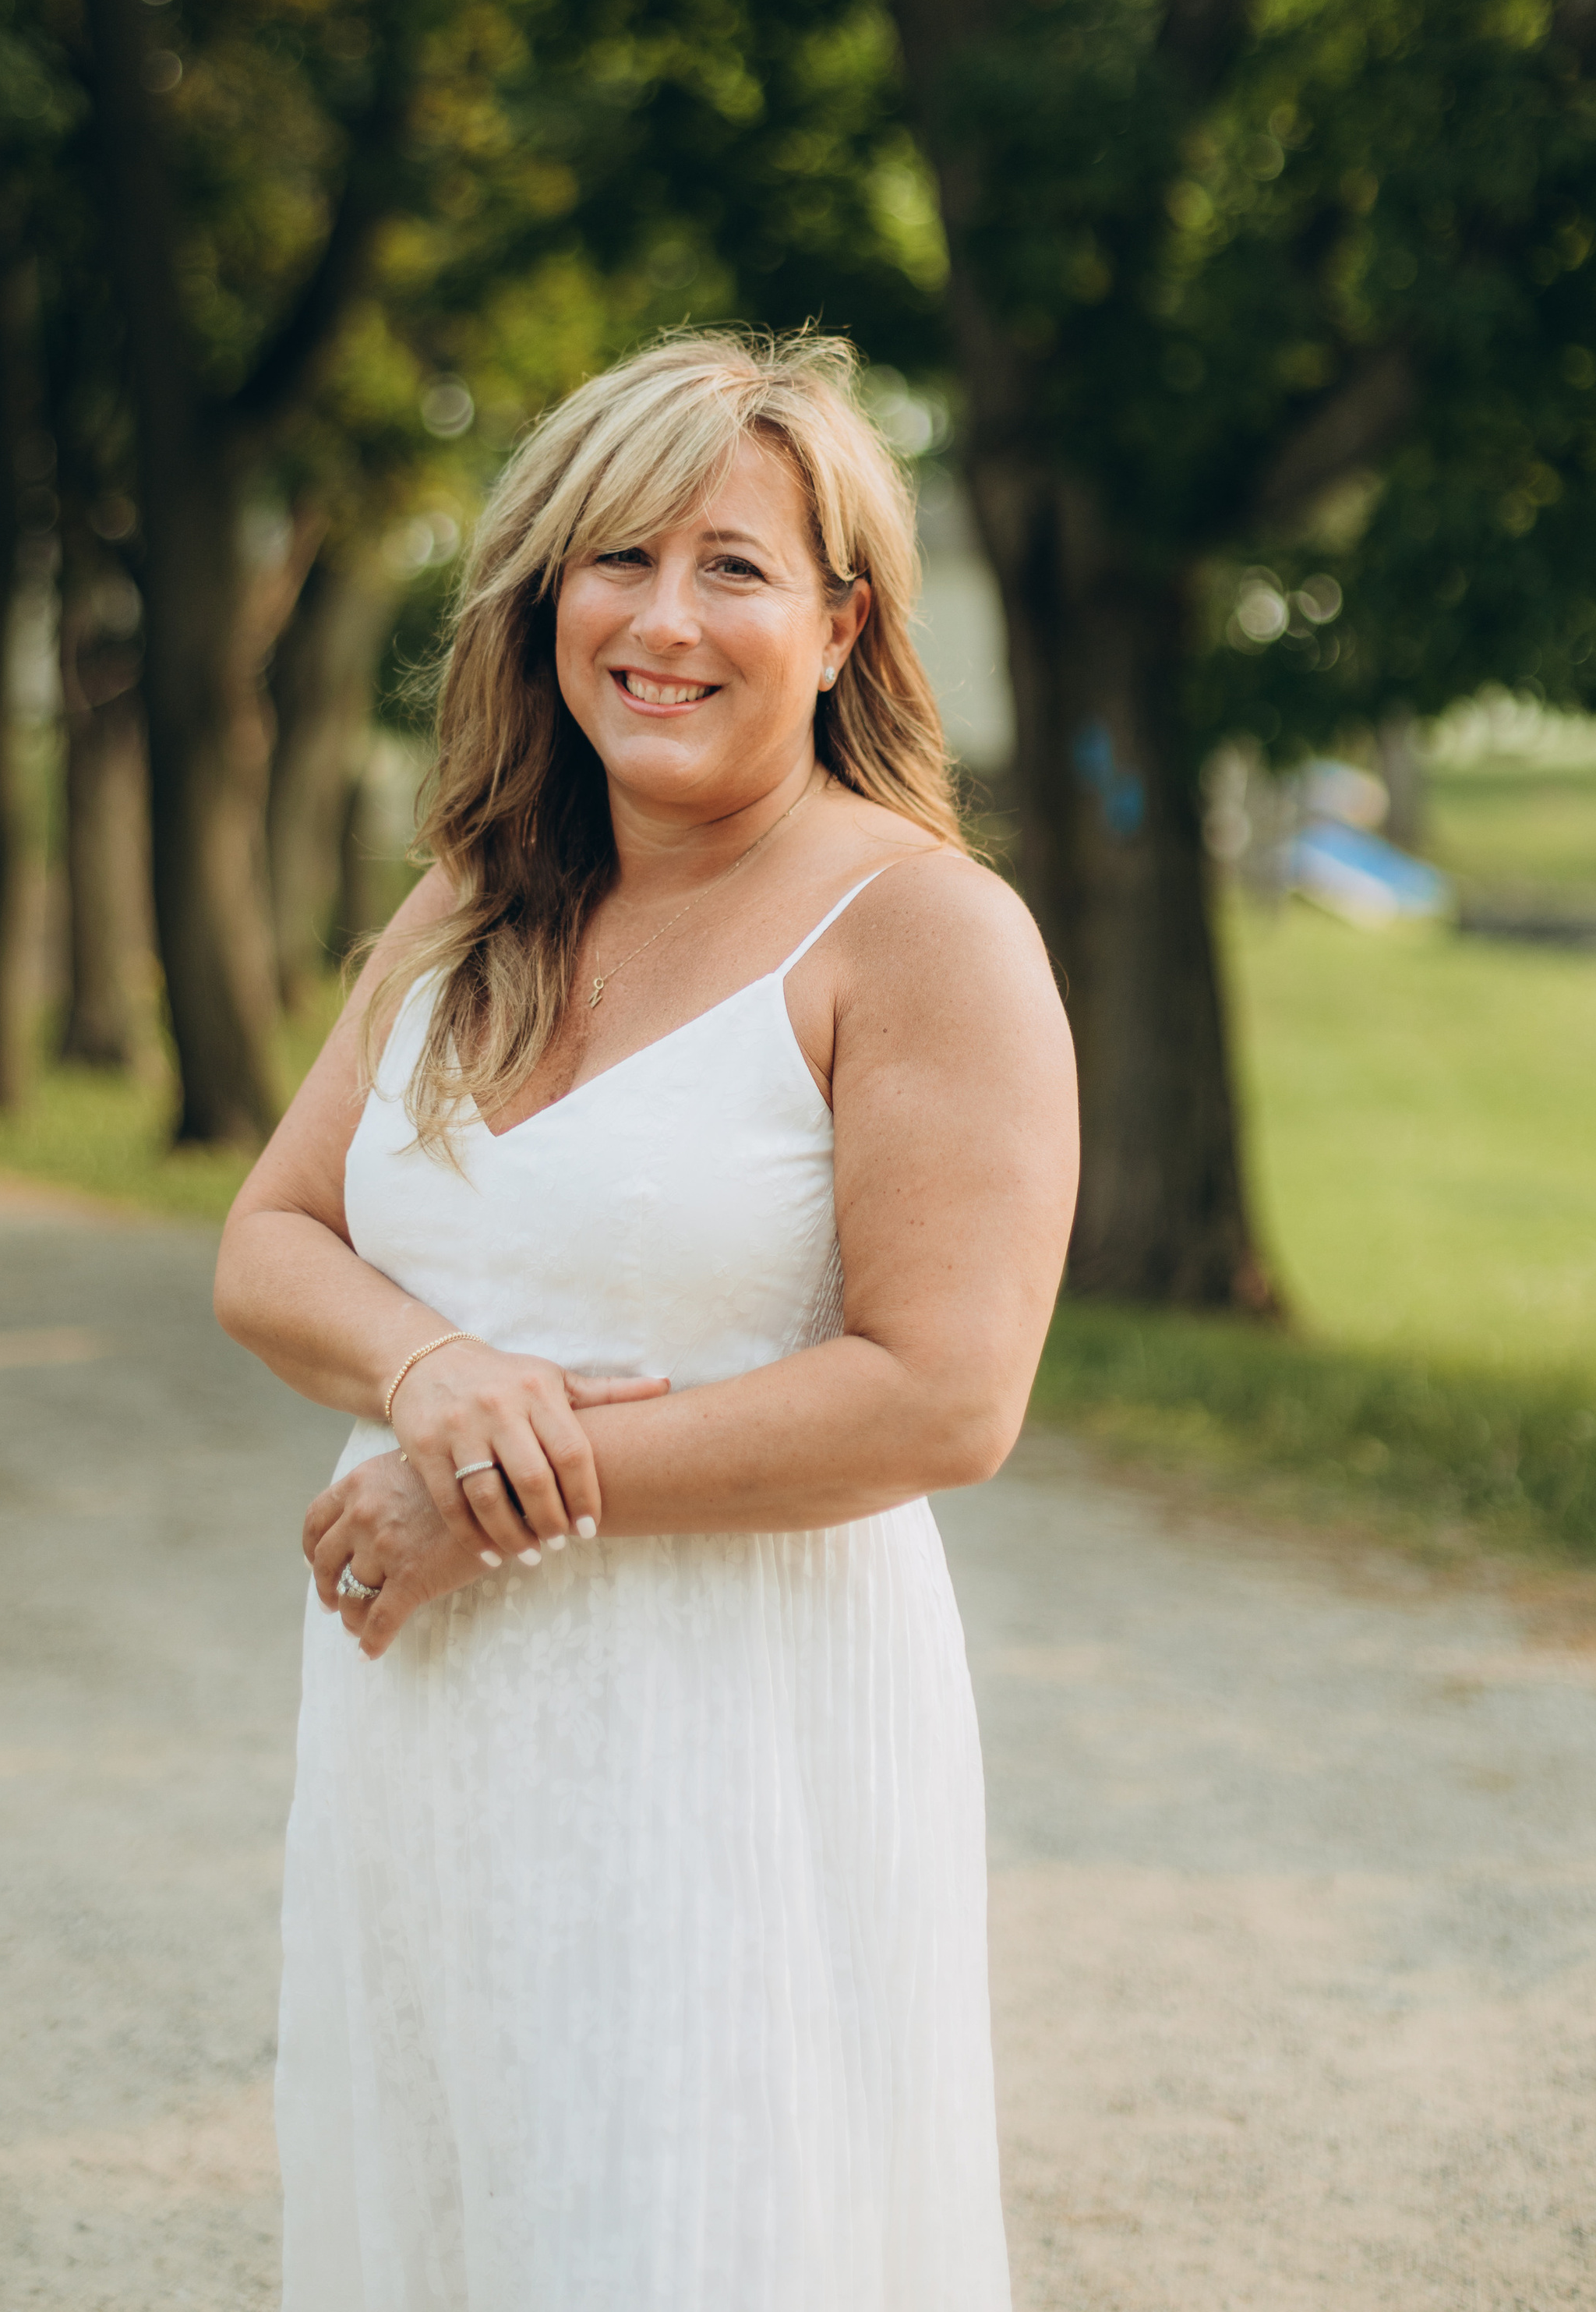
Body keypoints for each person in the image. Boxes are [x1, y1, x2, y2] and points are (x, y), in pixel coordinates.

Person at [215, 332, 1079, 2312]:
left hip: (728, 1752)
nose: (661, 619)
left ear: (841, 622)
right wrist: (429, 1372)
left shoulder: (919, 932)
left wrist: (495, 1490)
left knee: (690, 2225)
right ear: (542, 603)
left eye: (733, 568)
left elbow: (943, 1395)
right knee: (445, 2225)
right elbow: (270, 1239)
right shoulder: (465, 908)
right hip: (425, 1740)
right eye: (613, 559)